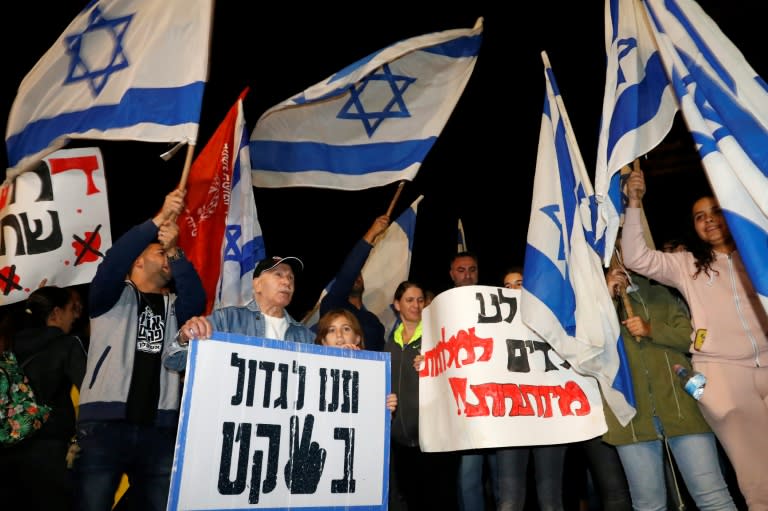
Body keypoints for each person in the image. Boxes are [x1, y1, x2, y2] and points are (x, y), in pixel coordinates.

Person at [621, 168, 768, 509]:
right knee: (757, 479)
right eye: (700, 217)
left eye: (716, 212)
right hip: (724, 379)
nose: (709, 220)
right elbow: (636, 258)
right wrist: (634, 202)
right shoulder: (687, 265)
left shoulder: (759, 254)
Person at [74, 188, 206, 511]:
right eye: (159, 253)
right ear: (138, 260)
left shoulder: (176, 306)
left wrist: (175, 251)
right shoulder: (109, 296)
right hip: (105, 426)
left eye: (167, 256)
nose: (167, 260)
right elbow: (115, 258)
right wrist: (158, 220)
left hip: (159, 430)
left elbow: (197, 303)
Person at [603, 264, 736, 510]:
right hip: (630, 418)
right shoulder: (594, 305)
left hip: (682, 408)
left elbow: (691, 338)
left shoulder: (659, 294)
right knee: (648, 505)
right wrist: (605, 296)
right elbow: (586, 345)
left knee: (713, 496)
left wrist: (651, 329)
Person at [0, 286, 87, 511]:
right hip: (50, 453)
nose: (76, 316)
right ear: (56, 313)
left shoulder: (7, 343)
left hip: (6, 449)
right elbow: (90, 391)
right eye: (72, 309)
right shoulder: (67, 344)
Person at [495, 266, 569, 511]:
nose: (513, 290)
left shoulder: (552, 321)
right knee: (509, 501)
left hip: (547, 418)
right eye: (507, 286)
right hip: (511, 422)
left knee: (550, 501)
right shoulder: (491, 330)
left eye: (519, 284)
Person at [385, 281, 460, 511]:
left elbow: (457, 372)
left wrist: (436, 363)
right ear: (397, 305)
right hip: (400, 443)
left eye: (420, 300)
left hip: (434, 442)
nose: (416, 305)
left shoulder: (437, 337)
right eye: (409, 300)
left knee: (439, 500)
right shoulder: (390, 342)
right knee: (411, 500)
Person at [177, 255, 314, 348]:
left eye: (291, 278)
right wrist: (184, 338)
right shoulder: (227, 320)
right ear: (257, 284)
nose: (287, 282)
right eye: (278, 274)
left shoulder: (306, 336)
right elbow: (174, 360)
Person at [450, 251, 498, 511]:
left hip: (499, 406)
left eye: (472, 269)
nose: (467, 275)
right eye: (461, 270)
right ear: (451, 274)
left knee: (504, 481)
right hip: (468, 409)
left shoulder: (496, 304)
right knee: (469, 479)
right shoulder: (442, 309)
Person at [318, 215, 389, 351]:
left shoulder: (372, 321)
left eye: (359, 275)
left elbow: (383, 356)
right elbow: (348, 273)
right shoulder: (332, 304)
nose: (356, 277)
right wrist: (372, 233)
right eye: (353, 275)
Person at [314, 308, 398, 412]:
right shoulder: (313, 374)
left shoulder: (373, 374)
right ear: (324, 342)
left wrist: (386, 410)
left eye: (346, 329)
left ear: (357, 338)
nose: (339, 335)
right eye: (331, 330)